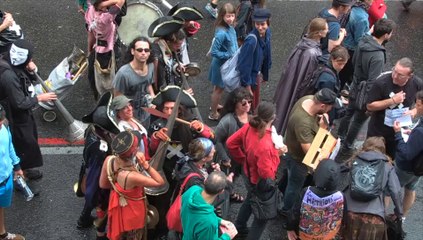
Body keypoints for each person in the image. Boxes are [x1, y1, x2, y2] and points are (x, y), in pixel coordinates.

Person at [147, 86, 214, 239]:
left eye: (173, 108)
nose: (170, 112)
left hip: (186, 170)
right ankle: (161, 229)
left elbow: (211, 136)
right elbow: (151, 150)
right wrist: (157, 137)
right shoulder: (157, 125)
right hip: (164, 169)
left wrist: (201, 128)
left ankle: (182, 227)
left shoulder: (190, 123)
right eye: (166, 109)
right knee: (162, 201)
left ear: (179, 109)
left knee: (184, 200)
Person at [336, 18, 395, 162]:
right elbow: (372, 81)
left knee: (349, 112)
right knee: (358, 121)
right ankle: (347, 146)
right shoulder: (378, 56)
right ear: (386, 35)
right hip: (364, 91)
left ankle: (339, 137)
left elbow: (355, 62)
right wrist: (370, 101)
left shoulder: (363, 41)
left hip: (355, 84)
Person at [226, 101, 287, 240]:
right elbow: (267, 173)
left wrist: (242, 158)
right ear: (272, 118)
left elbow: (231, 143)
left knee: (250, 198)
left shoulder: (248, 127)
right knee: (262, 217)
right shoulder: (265, 144)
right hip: (259, 182)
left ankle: (239, 227)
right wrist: (278, 154)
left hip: (247, 173)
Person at [0, 39, 57, 181]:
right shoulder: (8, 76)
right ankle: (20, 175)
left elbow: (23, 75)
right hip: (14, 116)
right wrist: (39, 98)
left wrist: (31, 69)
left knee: (27, 140)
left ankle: (25, 168)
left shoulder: (9, 61)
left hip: (17, 112)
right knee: (23, 142)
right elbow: (19, 103)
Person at [99, 131, 165, 240]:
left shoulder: (109, 160)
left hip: (117, 206)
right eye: (136, 146)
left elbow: (103, 184)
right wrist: (145, 165)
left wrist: (120, 190)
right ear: (133, 151)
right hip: (133, 214)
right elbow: (159, 182)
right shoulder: (132, 176)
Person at [281, 89, 337, 214]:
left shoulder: (308, 98)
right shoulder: (303, 123)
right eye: (329, 108)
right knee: (294, 187)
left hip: (291, 147)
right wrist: (322, 129)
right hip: (298, 160)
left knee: (288, 177)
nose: (329, 111)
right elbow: (311, 152)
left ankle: (281, 190)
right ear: (322, 105)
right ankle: (286, 210)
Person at [76, 92, 121, 240]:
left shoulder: (91, 129)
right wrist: (93, 197)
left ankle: (83, 219)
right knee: (100, 204)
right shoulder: (101, 149)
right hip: (98, 180)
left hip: (87, 169)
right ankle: (100, 235)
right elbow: (96, 179)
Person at [273, 17, 328, 135]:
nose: (328, 31)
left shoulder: (302, 44)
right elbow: (306, 79)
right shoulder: (312, 53)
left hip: (289, 84)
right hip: (297, 90)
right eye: (326, 29)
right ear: (319, 33)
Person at [343, 137, 403, 240]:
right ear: (383, 151)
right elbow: (396, 191)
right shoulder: (387, 166)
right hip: (374, 218)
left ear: (364, 147)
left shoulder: (354, 160)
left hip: (349, 212)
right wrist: (399, 213)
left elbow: (336, 173)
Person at [366, 58, 423, 158]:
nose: (395, 76)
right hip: (378, 131)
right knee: (370, 157)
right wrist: (392, 101)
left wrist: (414, 111)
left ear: (409, 76)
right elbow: (370, 106)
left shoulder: (417, 83)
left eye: (400, 75)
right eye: (394, 71)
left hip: (398, 132)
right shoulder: (381, 82)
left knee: (390, 160)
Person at [286, 159, 346, 240]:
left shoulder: (307, 192)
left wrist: (290, 228)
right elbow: (343, 213)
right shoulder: (340, 196)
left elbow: (295, 213)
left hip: (306, 235)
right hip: (326, 235)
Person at [85, 0, 125, 100]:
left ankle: (98, 97)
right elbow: (121, 1)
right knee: (111, 77)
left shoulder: (90, 11)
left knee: (94, 76)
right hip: (109, 50)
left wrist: (89, 51)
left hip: (97, 49)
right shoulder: (106, 18)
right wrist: (102, 4)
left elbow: (90, 34)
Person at [181, 171, 238, 240]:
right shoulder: (209, 222)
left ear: (205, 181)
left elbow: (195, 217)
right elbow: (205, 219)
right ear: (221, 191)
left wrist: (219, 221)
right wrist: (227, 236)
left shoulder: (192, 190)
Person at [393, 90, 423, 218]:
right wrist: (415, 138)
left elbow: (406, 153)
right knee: (410, 189)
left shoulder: (420, 132)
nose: (416, 108)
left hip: (406, 168)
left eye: (417, 105)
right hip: (419, 168)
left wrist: (398, 133)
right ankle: (402, 216)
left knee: (389, 190)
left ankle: (383, 218)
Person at [113, 37, 155, 125]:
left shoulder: (151, 66)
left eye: (146, 50)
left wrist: (152, 97)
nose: (143, 53)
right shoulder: (123, 74)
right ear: (133, 51)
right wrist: (128, 118)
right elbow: (118, 98)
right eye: (139, 50)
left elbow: (149, 84)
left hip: (146, 113)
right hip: (130, 116)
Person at [208, 3, 238, 121]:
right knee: (218, 90)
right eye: (227, 16)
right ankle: (213, 113)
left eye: (232, 16)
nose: (230, 19)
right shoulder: (221, 33)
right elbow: (214, 52)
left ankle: (214, 107)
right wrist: (228, 55)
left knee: (218, 89)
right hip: (221, 65)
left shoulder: (229, 28)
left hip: (225, 64)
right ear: (222, 17)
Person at [214, 88, 252, 181]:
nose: (248, 105)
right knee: (224, 181)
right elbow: (216, 140)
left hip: (243, 158)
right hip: (230, 159)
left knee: (235, 178)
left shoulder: (251, 117)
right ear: (235, 104)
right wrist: (225, 158)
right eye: (243, 103)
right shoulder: (227, 121)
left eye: (249, 101)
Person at [237, 8, 272, 109]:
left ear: (268, 23)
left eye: (263, 24)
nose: (260, 27)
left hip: (257, 75)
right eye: (257, 24)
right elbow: (244, 66)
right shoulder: (251, 41)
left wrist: (265, 74)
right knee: (248, 104)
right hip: (250, 78)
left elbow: (267, 54)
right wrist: (247, 86)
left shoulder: (268, 32)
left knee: (254, 102)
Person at [0, 104, 25, 240]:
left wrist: (17, 166)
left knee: (1, 207)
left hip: (5, 178)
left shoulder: (4, 125)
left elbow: (9, 146)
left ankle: (2, 234)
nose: (0, 125)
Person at [339, 0, 373, 90]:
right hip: (351, 50)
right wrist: (370, 31)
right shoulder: (362, 18)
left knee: (342, 74)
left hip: (345, 43)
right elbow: (360, 40)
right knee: (345, 74)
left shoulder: (354, 8)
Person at [152, 29, 190, 94]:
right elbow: (157, 81)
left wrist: (176, 65)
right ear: (168, 42)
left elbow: (169, 62)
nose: (179, 48)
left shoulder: (169, 48)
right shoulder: (156, 57)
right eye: (177, 46)